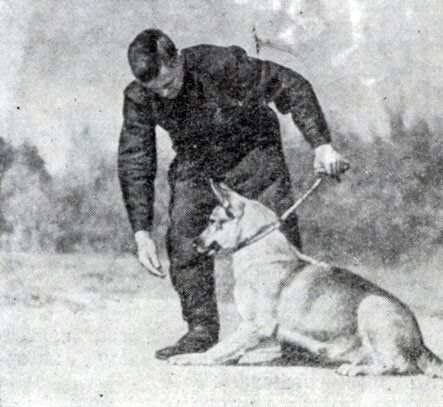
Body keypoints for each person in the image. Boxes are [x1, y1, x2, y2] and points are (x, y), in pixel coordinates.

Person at [118, 29, 350, 360]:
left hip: (253, 151)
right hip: (197, 160)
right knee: (184, 237)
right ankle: (200, 331)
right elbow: (135, 159)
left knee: (276, 236)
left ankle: (294, 340)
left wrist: (321, 145)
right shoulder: (139, 96)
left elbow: (291, 85)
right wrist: (141, 231)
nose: (165, 94)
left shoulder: (221, 63)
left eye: (169, 83)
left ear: (178, 59)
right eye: (157, 90)